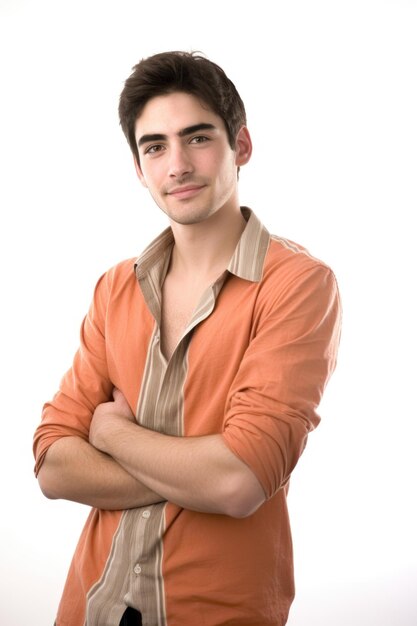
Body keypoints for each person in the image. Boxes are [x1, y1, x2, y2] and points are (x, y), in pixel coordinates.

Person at [33, 51, 341, 626]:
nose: (176, 164)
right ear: (139, 167)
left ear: (240, 146)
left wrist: (112, 432)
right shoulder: (115, 288)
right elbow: (52, 462)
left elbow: (239, 482)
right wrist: (192, 468)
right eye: (155, 146)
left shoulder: (297, 285)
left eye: (197, 138)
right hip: (91, 606)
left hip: (216, 613)